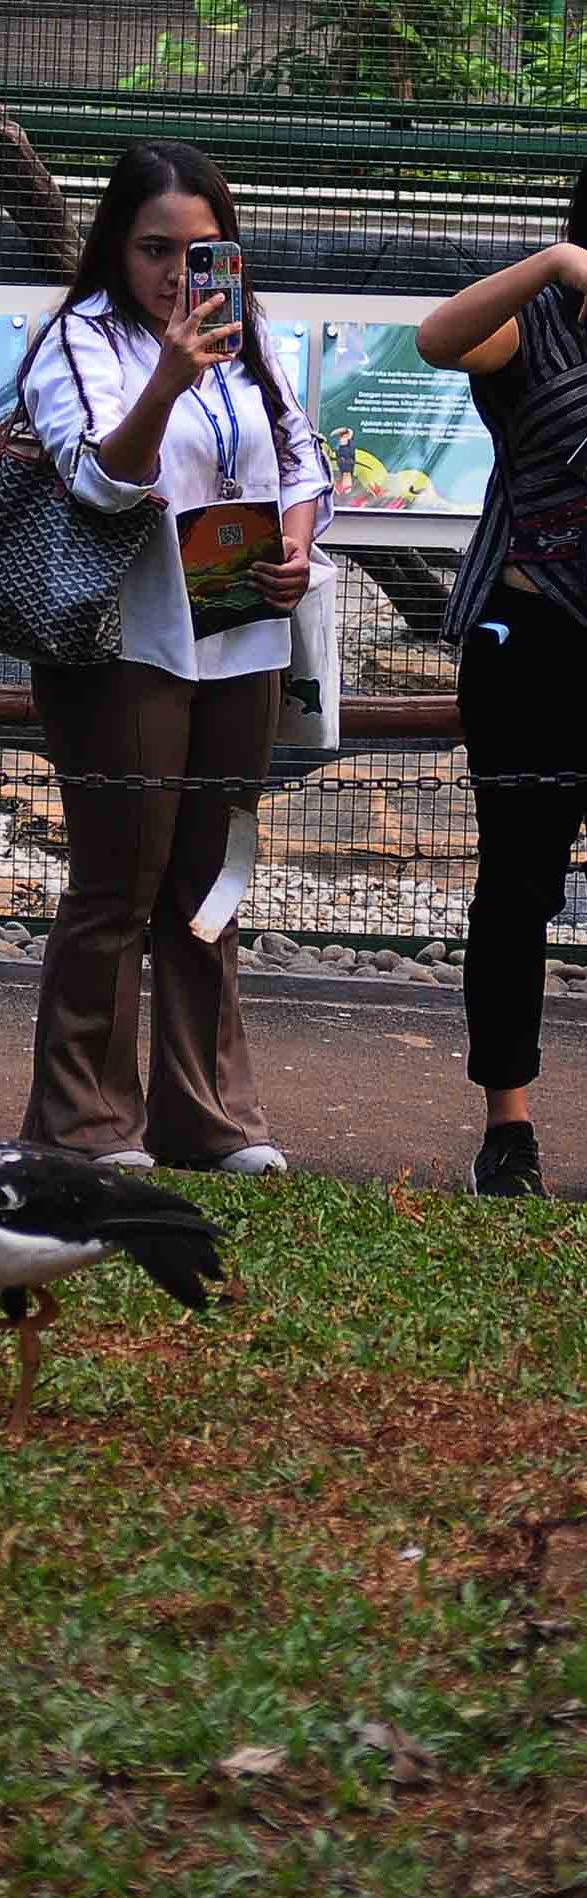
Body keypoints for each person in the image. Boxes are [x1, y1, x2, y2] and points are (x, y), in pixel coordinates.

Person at [18, 141, 332, 1173]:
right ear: (116, 244)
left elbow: (301, 457)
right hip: (124, 647)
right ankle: (90, 1121)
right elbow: (100, 481)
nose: (176, 274)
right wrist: (166, 378)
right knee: (119, 880)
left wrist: (295, 539)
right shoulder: (81, 340)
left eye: (202, 251)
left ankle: (209, 1115)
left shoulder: (247, 340)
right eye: (156, 249)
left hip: (242, 639)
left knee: (212, 881)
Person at [417, 172, 587, 1198]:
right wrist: (556, 266)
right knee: (520, 885)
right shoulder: (540, 323)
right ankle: (508, 1128)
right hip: (533, 639)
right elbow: (436, 340)